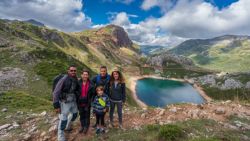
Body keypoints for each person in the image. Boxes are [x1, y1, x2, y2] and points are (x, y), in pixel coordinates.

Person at [53, 66, 80, 141]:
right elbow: (56, 92)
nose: (73, 72)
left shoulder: (75, 79)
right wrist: (56, 105)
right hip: (64, 101)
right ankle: (60, 136)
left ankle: (68, 126)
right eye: (71, 70)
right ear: (68, 71)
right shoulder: (63, 79)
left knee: (75, 114)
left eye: (74, 70)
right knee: (63, 119)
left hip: (73, 100)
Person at [77, 70, 95, 134]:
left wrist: (91, 101)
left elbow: (93, 94)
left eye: (86, 75)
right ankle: (82, 126)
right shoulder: (78, 83)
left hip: (88, 102)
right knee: (81, 115)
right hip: (80, 102)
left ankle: (86, 127)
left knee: (87, 115)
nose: (85, 76)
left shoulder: (91, 84)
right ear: (81, 75)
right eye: (84, 74)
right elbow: (75, 91)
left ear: (88, 76)